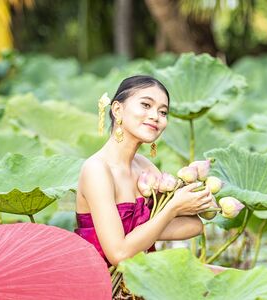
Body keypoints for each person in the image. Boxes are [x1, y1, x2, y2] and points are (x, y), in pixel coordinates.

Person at [75, 75, 213, 268]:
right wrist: (172, 209)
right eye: (146, 105)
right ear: (117, 109)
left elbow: (194, 225)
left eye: (163, 112)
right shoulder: (97, 170)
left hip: (143, 281)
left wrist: (136, 233)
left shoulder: (144, 167)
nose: (156, 116)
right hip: (102, 286)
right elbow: (119, 255)